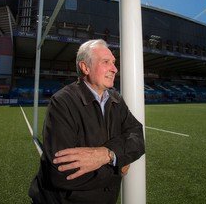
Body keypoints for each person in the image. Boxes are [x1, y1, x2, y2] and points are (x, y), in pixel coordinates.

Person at [29, 39, 145, 204]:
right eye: (106, 62)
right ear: (85, 67)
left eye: (113, 62)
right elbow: (61, 173)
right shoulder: (62, 101)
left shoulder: (116, 99)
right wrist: (118, 165)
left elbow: (138, 137)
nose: (114, 69)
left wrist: (108, 154)